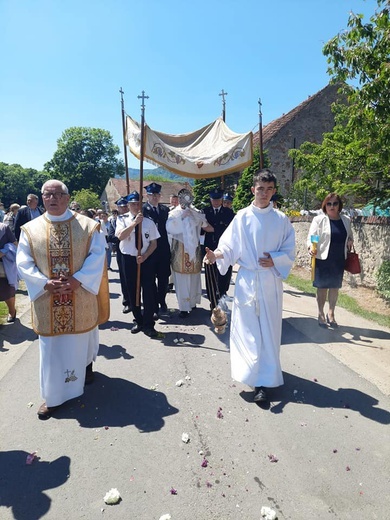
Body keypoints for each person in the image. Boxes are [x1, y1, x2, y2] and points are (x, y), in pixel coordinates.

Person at [16, 179, 109, 419]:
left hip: (79, 297)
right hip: (48, 299)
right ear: (42, 198)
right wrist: (43, 282)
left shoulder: (89, 226)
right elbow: (23, 261)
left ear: (67, 198)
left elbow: (98, 256)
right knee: (51, 350)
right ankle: (54, 397)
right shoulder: (31, 229)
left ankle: (85, 368)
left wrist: (78, 280)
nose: (52, 198)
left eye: (57, 194)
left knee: (82, 340)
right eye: (47, 194)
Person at [204, 169, 295, 403]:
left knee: (269, 330)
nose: (264, 193)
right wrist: (217, 255)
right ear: (253, 189)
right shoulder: (242, 217)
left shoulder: (281, 220)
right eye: (260, 188)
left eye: (269, 189)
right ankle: (253, 377)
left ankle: (266, 379)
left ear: (274, 191)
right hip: (247, 281)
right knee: (249, 330)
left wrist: (275, 259)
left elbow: (289, 251)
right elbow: (230, 246)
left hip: (270, 281)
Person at [115, 191, 162, 338]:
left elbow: (154, 243)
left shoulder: (149, 221)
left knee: (148, 291)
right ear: (128, 205)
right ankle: (138, 320)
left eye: (138, 203)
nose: (136, 206)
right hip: (129, 259)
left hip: (145, 259)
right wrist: (134, 223)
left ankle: (149, 323)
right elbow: (121, 236)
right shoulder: (122, 220)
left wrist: (145, 255)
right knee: (132, 291)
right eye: (133, 204)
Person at [307, 193, 353, 328]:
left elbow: (349, 236)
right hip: (323, 258)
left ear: (339, 205)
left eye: (335, 203)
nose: (332, 206)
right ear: (325, 205)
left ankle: (331, 313)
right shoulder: (319, 220)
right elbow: (312, 237)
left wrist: (350, 240)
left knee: (334, 287)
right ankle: (321, 313)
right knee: (322, 287)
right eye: (329, 204)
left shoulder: (346, 220)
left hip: (338, 259)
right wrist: (311, 247)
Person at [166, 189, 210, 318]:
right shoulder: (173, 213)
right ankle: (184, 307)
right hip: (180, 248)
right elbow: (169, 228)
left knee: (194, 276)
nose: (186, 202)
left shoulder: (195, 211)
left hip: (194, 249)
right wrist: (181, 217)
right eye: (183, 199)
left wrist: (197, 215)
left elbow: (204, 224)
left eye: (188, 199)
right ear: (179, 200)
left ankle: (192, 302)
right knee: (181, 278)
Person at [203, 188, 235, 308]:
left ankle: (222, 295)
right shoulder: (205, 212)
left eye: (218, 200)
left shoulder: (228, 213)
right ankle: (213, 300)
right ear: (210, 200)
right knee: (210, 275)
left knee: (224, 274)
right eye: (213, 200)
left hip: (224, 249)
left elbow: (230, 231)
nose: (215, 202)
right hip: (209, 247)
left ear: (221, 200)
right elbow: (202, 228)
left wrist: (214, 229)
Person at [143, 182, 171, 314]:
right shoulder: (142, 210)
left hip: (164, 249)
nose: (154, 197)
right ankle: (153, 305)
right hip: (149, 250)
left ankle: (162, 300)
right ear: (147, 196)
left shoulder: (165, 210)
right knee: (150, 279)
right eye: (152, 195)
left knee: (163, 278)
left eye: (157, 195)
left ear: (160, 196)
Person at [108, 197, 132, 313]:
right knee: (125, 277)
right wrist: (122, 236)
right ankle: (127, 301)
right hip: (121, 251)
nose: (123, 209)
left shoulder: (134, 218)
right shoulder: (114, 221)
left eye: (125, 206)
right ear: (117, 208)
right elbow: (112, 236)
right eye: (121, 207)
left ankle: (137, 299)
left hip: (135, 250)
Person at [0, 222, 18, 323]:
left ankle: (12, 311)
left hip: (3, 267)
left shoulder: (3, 228)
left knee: (7, 292)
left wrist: (4, 251)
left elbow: (14, 245)